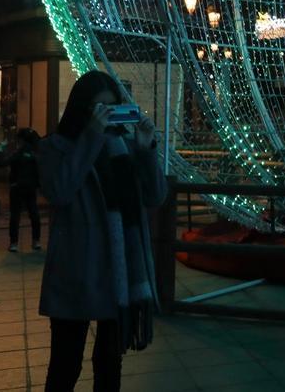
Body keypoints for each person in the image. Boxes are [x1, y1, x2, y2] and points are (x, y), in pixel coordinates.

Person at [39, 71, 167, 392]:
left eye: (113, 108)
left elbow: (155, 196)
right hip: (77, 268)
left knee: (110, 364)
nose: (108, 116)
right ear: (82, 109)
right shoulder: (56, 147)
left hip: (119, 271)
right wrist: (91, 137)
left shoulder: (122, 146)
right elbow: (60, 191)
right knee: (65, 364)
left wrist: (145, 151)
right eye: (100, 109)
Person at [0, 128, 42, 252]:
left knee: (15, 215)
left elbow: (2, 163)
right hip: (31, 186)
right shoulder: (35, 153)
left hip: (17, 186)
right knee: (34, 213)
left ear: (21, 140)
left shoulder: (19, 152)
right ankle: (36, 241)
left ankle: (14, 243)